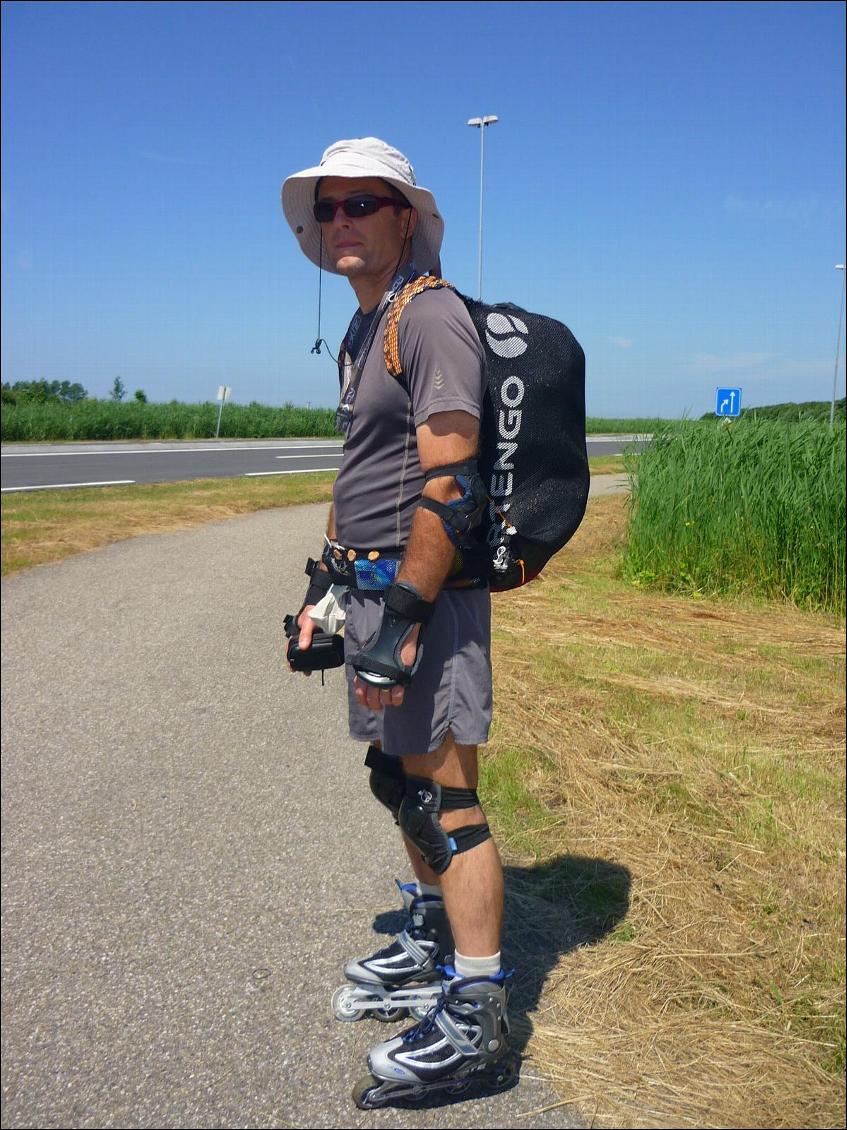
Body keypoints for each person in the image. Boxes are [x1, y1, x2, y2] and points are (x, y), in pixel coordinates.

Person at [281, 138, 512, 1102]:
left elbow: (450, 485)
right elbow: (364, 472)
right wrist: (325, 590)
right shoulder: (364, 327)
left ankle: (478, 1013)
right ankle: (428, 935)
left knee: (446, 799)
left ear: (403, 217)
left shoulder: (428, 316)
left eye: (361, 203)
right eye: (327, 207)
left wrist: (404, 617)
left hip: (427, 598)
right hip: (374, 589)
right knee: (398, 780)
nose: (340, 220)